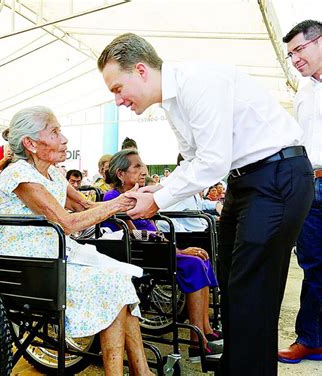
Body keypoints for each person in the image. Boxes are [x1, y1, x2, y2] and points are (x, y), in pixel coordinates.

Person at [98, 33, 314, 375]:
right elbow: (194, 160)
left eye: (117, 88)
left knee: (251, 290)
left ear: (140, 70)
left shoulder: (198, 81)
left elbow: (212, 161)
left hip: (276, 174)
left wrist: (157, 201)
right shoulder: (173, 103)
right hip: (244, 181)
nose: (118, 100)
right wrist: (154, 191)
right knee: (230, 284)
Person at [0, 106, 154, 375]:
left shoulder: (54, 173)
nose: (64, 138)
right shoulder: (18, 174)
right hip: (26, 262)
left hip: (56, 252)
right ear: (30, 143)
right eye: (55, 132)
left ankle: (141, 370)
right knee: (110, 284)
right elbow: (66, 222)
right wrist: (119, 204)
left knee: (120, 277)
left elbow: (84, 206)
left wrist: (133, 202)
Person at [103, 149, 222, 360]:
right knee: (193, 263)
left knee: (201, 259)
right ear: (121, 174)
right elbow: (134, 233)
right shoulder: (113, 196)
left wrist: (177, 248)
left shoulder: (142, 195)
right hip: (136, 253)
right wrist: (176, 250)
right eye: (137, 167)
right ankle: (196, 342)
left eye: (143, 165)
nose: (144, 170)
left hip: (152, 249)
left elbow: (152, 229)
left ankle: (205, 329)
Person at [278, 20, 322, 364]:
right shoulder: (304, 89)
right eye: (290, 53)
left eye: (299, 49)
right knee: (313, 264)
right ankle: (311, 338)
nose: (294, 59)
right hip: (312, 182)